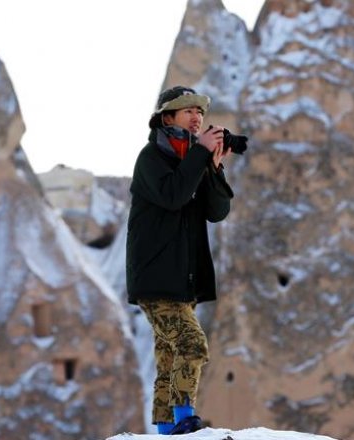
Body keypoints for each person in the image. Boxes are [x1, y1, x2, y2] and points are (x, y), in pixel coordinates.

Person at [126, 86, 234, 434]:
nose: (197, 117)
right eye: (188, 110)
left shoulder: (193, 161)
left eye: (200, 112)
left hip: (182, 280)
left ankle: (165, 428)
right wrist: (199, 157)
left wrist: (213, 168)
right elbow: (173, 195)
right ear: (166, 118)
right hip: (156, 277)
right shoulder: (150, 159)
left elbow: (216, 212)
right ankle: (184, 419)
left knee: (169, 356)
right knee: (191, 343)